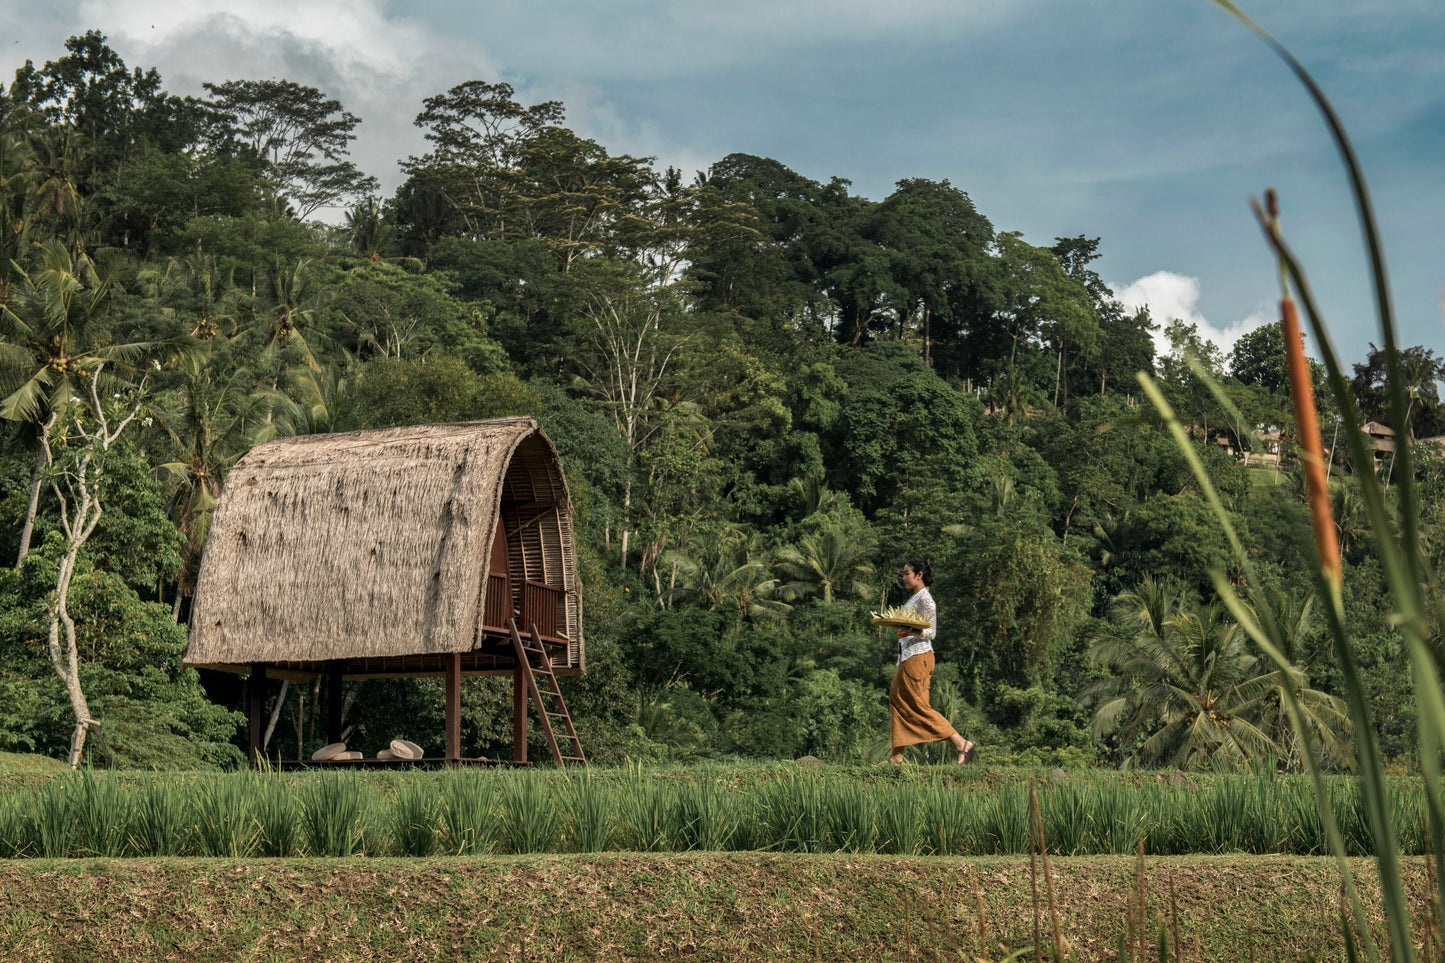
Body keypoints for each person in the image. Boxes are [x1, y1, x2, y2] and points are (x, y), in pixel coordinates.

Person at [887, 558, 976, 764]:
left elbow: (931, 632)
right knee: (897, 700)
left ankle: (960, 742)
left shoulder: (925, 599)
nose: (903, 578)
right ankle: (896, 756)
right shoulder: (913, 599)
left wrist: (909, 629)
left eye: (907, 573)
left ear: (919, 575)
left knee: (918, 706)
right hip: (907, 657)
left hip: (919, 657)